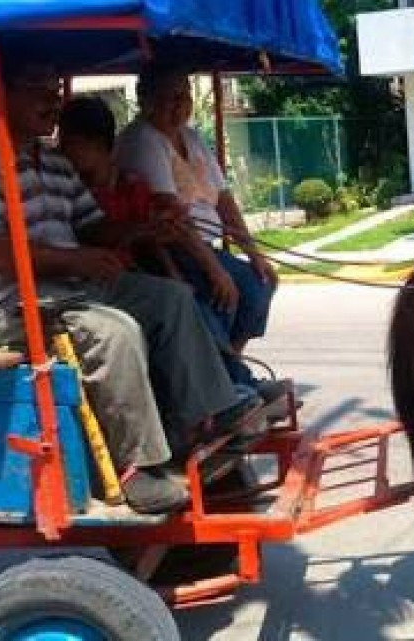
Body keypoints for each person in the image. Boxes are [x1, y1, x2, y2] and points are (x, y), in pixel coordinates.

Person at [0, 59, 262, 515]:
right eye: (37, 88)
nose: (52, 100)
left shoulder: (49, 158)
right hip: (0, 301)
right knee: (113, 332)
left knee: (172, 298)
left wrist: (143, 229)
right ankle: (134, 470)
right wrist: (75, 259)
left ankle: (206, 417)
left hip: (67, 285)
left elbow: (92, 225)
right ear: (1, 93)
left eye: (54, 89)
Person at [57, 96, 261, 404]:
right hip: (102, 276)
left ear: (105, 148)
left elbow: (146, 234)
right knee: (187, 306)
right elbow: (91, 235)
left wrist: (173, 271)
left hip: (137, 268)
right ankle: (227, 388)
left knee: (199, 294)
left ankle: (228, 380)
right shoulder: (71, 182)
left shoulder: (128, 185)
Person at [113, 61, 289, 408]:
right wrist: (215, 270)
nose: (178, 105)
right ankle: (233, 386)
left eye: (184, 95)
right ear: (145, 99)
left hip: (204, 244)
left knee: (259, 283)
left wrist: (254, 254)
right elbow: (172, 216)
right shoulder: (143, 140)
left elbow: (224, 200)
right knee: (219, 297)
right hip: (171, 248)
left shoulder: (190, 137)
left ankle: (231, 373)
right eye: (167, 97)